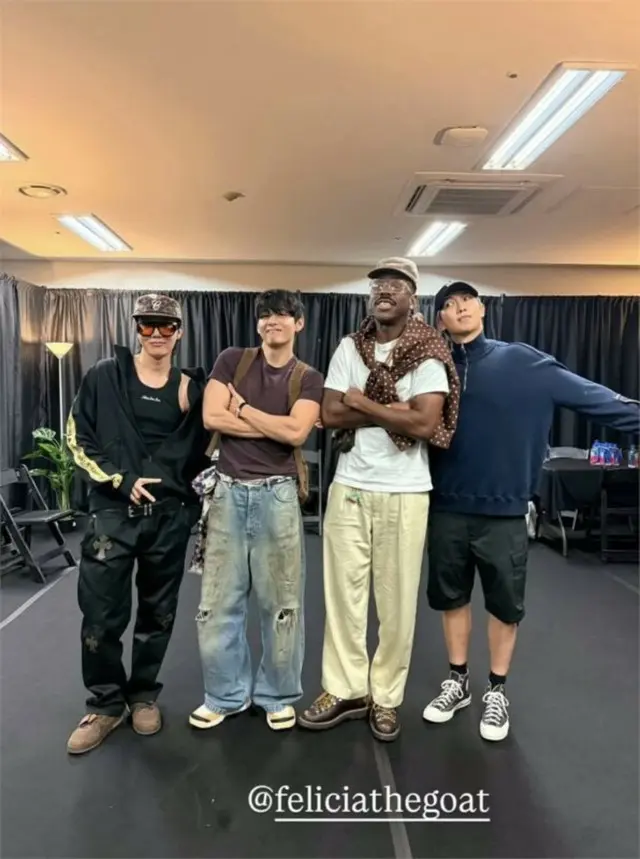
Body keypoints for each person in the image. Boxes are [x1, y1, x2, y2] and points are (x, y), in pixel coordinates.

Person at [423, 281, 640, 742]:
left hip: (504, 511)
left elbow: (596, 398)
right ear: (439, 318)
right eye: (448, 304)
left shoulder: (524, 362)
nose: (459, 308)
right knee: (451, 598)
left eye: (467, 300)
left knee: (504, 605)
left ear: (482, 308)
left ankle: (496, 690)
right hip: (446, 507)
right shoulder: (431, 369)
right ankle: (457, 681)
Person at [297, 258, 461, 742]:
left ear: (414, 297)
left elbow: (425, 423)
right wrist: (395, 410)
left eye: (395, 285)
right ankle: (345, 690)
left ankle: (386, 697)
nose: (383, 292)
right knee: (342, 597)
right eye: (377, 286)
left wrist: (363, 403)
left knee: (397, 602)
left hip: (405, 491)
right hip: (350, 484)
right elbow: (330, 414)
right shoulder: (350, 346)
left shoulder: (429, 351)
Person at [65, 294, 209, 754]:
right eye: (148, 325)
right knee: (101, 614)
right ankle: (105, 704)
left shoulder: (193, 389)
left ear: (179, 332)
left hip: (169, 519)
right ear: (136, 328)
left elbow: (211, 447)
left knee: (158, 614)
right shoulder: (104, 376)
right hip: (112, 516)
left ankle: (143, 694)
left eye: (166, 326)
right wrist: (120, 479)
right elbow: (77, 438)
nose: (157, 334)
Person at [188, 289, 323, 732]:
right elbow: (212, 417)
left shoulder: (308, 377)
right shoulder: (232, 360)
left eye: (283, 314)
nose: (272, 321)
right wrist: (274, 425)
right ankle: (223, 696)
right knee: (217, 604)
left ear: (298, 323)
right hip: (227, 493)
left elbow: (297, 433)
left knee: (281, 604)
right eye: (265, 315)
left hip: (278, 496)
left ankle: (277, 695)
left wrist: (243, 408)